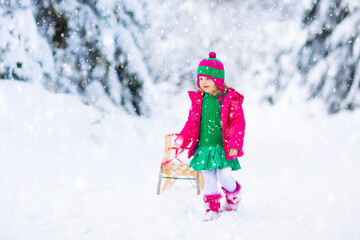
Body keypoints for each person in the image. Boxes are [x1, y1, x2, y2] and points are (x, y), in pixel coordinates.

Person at [174, 52, 245, 221]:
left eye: (207, 79)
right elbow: (191, 123)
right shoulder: (199, 100)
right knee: (208, 177)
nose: (203, 83)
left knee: (222, 175)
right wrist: (183, 138)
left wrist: (235, 144)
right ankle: (211, 209)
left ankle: (234, 194)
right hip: (204, 148)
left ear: (218, 80)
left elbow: (237, 123)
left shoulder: (229, 100)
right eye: (200, 79)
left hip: (222, 148)